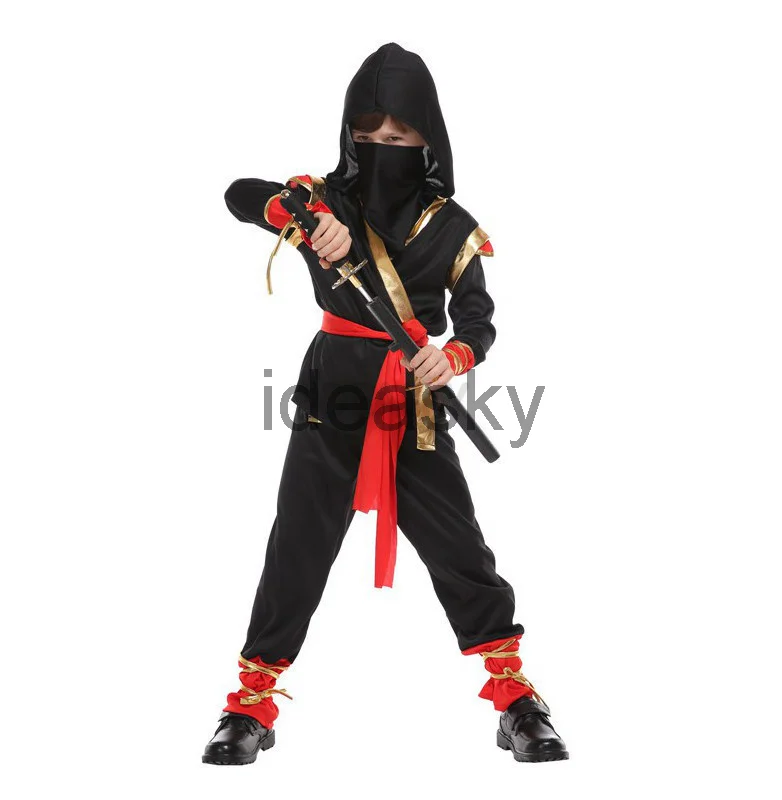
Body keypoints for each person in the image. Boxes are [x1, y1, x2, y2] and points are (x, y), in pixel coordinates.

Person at [202, 42, 568, 765]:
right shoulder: (322, 203)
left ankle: (514, 698)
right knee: (299, 541)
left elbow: (478, 320)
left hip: (412, 398)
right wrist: (302, 215)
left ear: (427, 138)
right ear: (348, 134)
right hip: (332, 390)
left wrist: (454, 355)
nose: (382, 147)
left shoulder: (454, 226)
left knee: (459, 546)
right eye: (367, 134)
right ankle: (250, 703)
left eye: (399, 137)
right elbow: (240, 194)